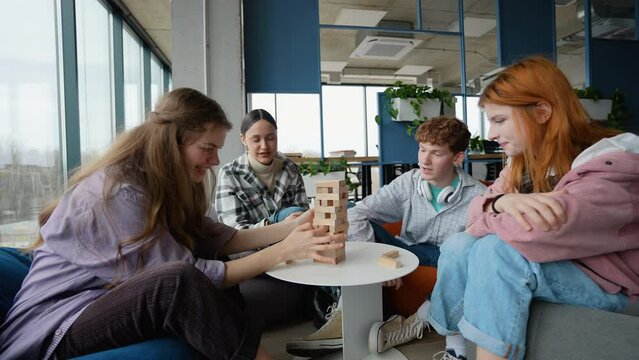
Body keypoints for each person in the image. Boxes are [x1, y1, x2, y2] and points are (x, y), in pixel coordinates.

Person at [0, 88, 344, 360]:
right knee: (178, 282)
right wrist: (283, 251)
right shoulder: (119, 191)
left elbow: (205, 234)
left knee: (217, 287)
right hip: (61, 320)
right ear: (172, 142)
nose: (214, 161)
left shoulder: (155, 183)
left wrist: (289, 228)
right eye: (207, 148)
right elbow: (188, 273)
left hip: (100, 297)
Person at [421, 56, 639, 360]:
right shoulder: (523, 163)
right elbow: (472, 216)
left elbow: (533, 232)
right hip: (564, 267)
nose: (490, 134)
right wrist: (501, 201)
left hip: (612, 286)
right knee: (459, 244)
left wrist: (492, 210)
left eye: (499, 120)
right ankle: (455, 347)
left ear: (541, 112)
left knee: (495, 252)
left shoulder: (613, 165)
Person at [286, 116, 486, 358]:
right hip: (407, 250)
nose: (424, 159)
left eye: (436, 153)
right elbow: (357, 214)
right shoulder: (409, 183)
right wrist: (378, 263)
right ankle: (343, 315)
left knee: (471, 252)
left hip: (449, 258)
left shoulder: (479, 196)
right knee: (350, 215)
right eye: (422, 149)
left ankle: (424, 322)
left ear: (457, 157)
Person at [215, 109, 311, 326]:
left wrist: (292, 225)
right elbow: (234, 232)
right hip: (246, 246)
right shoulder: (230, 173)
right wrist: (276, 224)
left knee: (307, 223)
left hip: (289, 238)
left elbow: (303, 213)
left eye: (270, 138)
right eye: (256, 139)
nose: (264, 146)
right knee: (290, 216)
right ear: (243, 140)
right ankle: (313, 294)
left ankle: (331, 304)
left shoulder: (290, 168)